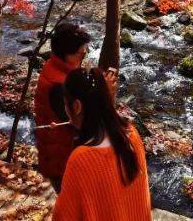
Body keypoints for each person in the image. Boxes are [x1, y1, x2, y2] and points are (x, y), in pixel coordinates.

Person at [52, 67, 151, 221]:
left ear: (77, 106)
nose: (66, 109)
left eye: (66, 104)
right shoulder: (132, 134)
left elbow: (63, 216)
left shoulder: (81, 159)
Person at [35, 21, 92, 191]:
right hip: (61, 159)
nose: (83, 56)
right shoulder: (59, 85)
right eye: (80, 54)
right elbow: (77, 123)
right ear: (65, 53)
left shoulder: (53, 65)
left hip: (56, 152)